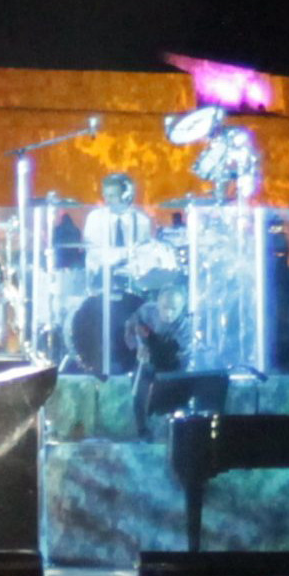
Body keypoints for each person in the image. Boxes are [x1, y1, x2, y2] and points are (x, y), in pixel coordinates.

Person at [124, 276, 188, 434]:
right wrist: (139, 346)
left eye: (174, 309)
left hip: (169, 366)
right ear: (158, 301)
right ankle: (140, 430)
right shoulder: (146, 312)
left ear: (182, 308)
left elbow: (184, 355)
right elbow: (131, 328)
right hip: (144, 363)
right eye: (165, 307)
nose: (168, 313)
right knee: (139, 395)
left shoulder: (184, 326)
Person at [80, 172, 156, 281]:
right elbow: (97, 254)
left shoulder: (141, 221)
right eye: (105, 195)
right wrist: (126, 253)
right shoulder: (94, 218)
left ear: (127, 196)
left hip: (133, 281)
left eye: (112, 196)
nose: (107, 200)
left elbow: (143, 254)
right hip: (100, 280)